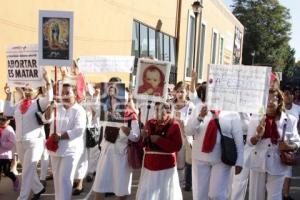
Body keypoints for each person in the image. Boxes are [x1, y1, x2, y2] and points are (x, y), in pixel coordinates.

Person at [4, 70, 52, 200]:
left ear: (37, 90)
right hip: (20, 142)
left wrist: (48, 81)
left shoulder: (38, 102)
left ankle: (23, 197)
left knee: (26, 171)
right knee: (27, 169)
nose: (28, 89)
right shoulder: (19, 104)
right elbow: (7, 112)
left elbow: (49, 99)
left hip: (35, 142)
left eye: (31, 88)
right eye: (26, 87)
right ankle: (38, 188)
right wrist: (8, 95)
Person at [246, 88, 300, 200]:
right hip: (258, 162)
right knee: (255, 196)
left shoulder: (290, 120)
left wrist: (288, 146)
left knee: (274, 197)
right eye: (267, 99)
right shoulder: (256, 118)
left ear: (279, 101)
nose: (270, 101)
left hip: (278, 162)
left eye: (273, 98)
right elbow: (250, 143)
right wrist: (257, 136)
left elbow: (296, 142)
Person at [185, 105, 244, 200]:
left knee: (217, 195)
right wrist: (200, 117)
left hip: (222, 158)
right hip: (200, 158)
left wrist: (240, 161)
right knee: (200, 195)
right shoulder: (199, 107)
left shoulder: (232, 113)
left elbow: (238, 139)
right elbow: (188, 131)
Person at [92, 90, 140, 200]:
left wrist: (126, 130)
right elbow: (96, 109)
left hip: (121, 157)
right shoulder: (107, 112)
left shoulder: (131, 116)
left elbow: (136, 137)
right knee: (99, 189)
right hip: (105, 155)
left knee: (121, 191)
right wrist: (96, 96)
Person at [136, 102, 183, 200]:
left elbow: (177, 146)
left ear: (168, 111)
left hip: (165, 168)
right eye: (156, 110)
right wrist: (143, 137)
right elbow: (142, 145)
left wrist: (159, 140)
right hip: (149, 166)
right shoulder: (150, 123)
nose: (158, 113)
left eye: (161, 110)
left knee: (164, 193)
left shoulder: (174, 125)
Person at [47, 83, 86, 200]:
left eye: (67, 92)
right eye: (62, 93)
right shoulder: (56, 108)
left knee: (64, 179)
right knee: (57, 180)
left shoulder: (79, 110)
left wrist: (60, 136)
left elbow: (79, 130)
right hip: (55, 149)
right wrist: (49, 108)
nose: (64, 95)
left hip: (70, 150)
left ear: (74, 93)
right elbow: (45, 119)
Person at [170, 81, 194, 191]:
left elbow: (192, 124)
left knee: (182, 163)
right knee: (172, 163)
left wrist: (182, 123)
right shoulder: (170, 105)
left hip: (184, 138)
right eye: (178, 91)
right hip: (171, 138)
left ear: (187, 92)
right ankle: (173, 185)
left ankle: (179, 187)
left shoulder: (190, 106)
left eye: (182, 91)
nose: (180, 94)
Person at [282, 87, 300, 200]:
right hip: (278, 141)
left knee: (288, 169)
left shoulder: (298, 108)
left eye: (290, 94)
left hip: (292, 142)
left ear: (293, 96)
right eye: (285, 94)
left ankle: (286, 195)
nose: (287, 96)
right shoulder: (278, 108)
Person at [230, 112, 252, 200]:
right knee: (227, 179)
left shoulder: (255, 106)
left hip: (246, 146)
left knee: (240, 180)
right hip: (229, 145)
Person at [0, 113, 19, 191]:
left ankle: (15, 179)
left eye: (3, 120)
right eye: (0, 119)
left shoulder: (9, 129)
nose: (1, 121)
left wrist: (2, 143)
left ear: (8, 121)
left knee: (6, 172)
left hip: (5, 155)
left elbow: (12, 143)